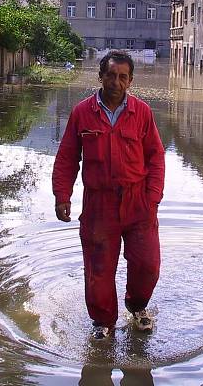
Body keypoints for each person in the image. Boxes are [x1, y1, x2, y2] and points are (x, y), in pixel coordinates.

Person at [52, 50, 165, 340]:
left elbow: (156, 157)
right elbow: (67, 157)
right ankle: (103, 322)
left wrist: (152, 198)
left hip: (138, 201)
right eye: (111, 75)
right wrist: (62, 195)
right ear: (100, 76)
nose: (117, 82)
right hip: (99, 204)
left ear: (130, 81)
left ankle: (138, 307)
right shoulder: (81, 113)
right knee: (98, 269)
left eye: (123, 77)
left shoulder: (142, 113)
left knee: (147, 264)